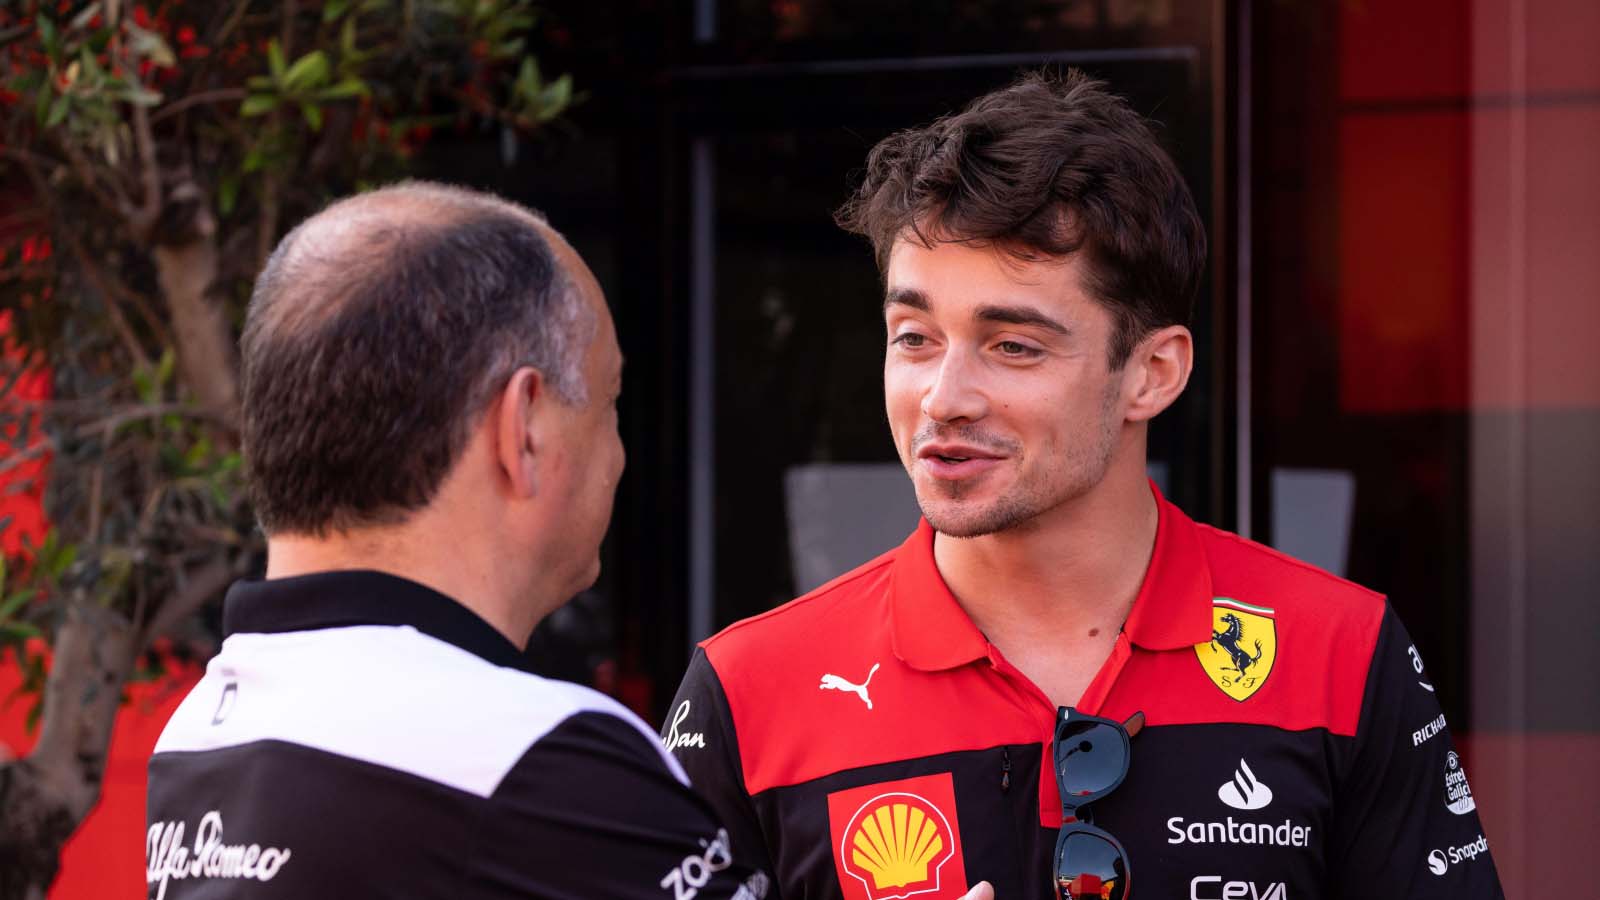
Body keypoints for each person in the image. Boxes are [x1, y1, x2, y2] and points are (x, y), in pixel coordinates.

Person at [665, 72, 1504, 900]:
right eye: (914, 337)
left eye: (1013, 346)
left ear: (1153, 372)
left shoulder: (1342, 654)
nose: (943, 398)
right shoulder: (748, 690)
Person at [145, 182, 774, 899]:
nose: (620, 454)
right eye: (609, 403)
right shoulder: (534, 756)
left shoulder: (199, 733)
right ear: (524, 427)